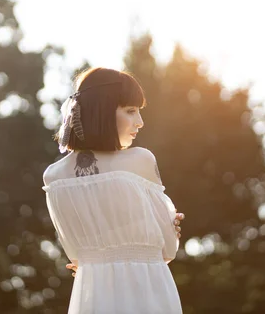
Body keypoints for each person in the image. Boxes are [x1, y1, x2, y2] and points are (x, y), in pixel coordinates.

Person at [42, 67, 184, 313]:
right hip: (148, 290)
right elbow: (168, 250)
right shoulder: (140, 160)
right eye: (130, 111)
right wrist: (168, 226)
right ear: (103, 110)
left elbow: (74, 257)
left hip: (93, 296)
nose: (140, 122)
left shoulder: (54, 177)